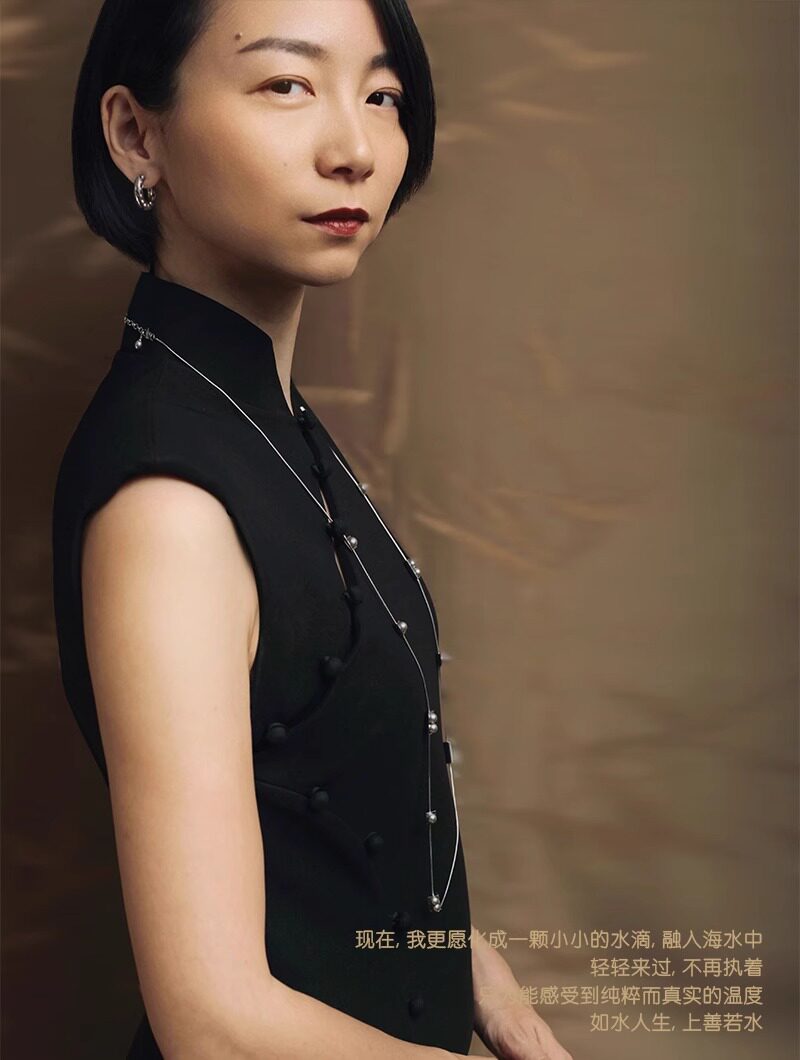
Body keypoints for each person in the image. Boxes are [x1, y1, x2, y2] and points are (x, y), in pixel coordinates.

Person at [52, 1, 574, 1058]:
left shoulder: (264, 420)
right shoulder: (171, 504)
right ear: (135, 134)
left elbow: (345, 825)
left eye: (381, 96)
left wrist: (497, 999)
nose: (355, 150)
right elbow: (214, 1023)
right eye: (286, 84)